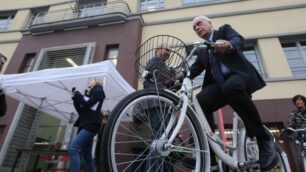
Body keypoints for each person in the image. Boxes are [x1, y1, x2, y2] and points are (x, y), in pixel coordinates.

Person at [189, 16, 278, 171]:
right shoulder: (202, 50)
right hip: (220, 85)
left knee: (230, 87)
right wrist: (177, 77)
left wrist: (229, 45)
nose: (197, 28)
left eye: (199, 24)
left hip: (239, 77)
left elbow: (238, 39)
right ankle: (210, 157)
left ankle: (264, 139)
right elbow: (194, 69)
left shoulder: (223, 30)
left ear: (210, 24)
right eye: (194, 27)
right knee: (199, 102)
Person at [69, 78, 105, 172]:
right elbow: (82, 111)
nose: (89, 81)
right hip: (86, 124)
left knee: (73, 149)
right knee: (87, 156)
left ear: (96, 81)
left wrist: (78, 95)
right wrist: (75, 99)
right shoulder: (90, 94)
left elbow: (87, 104)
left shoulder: (99, 91)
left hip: (91, 125)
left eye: (91, 80)